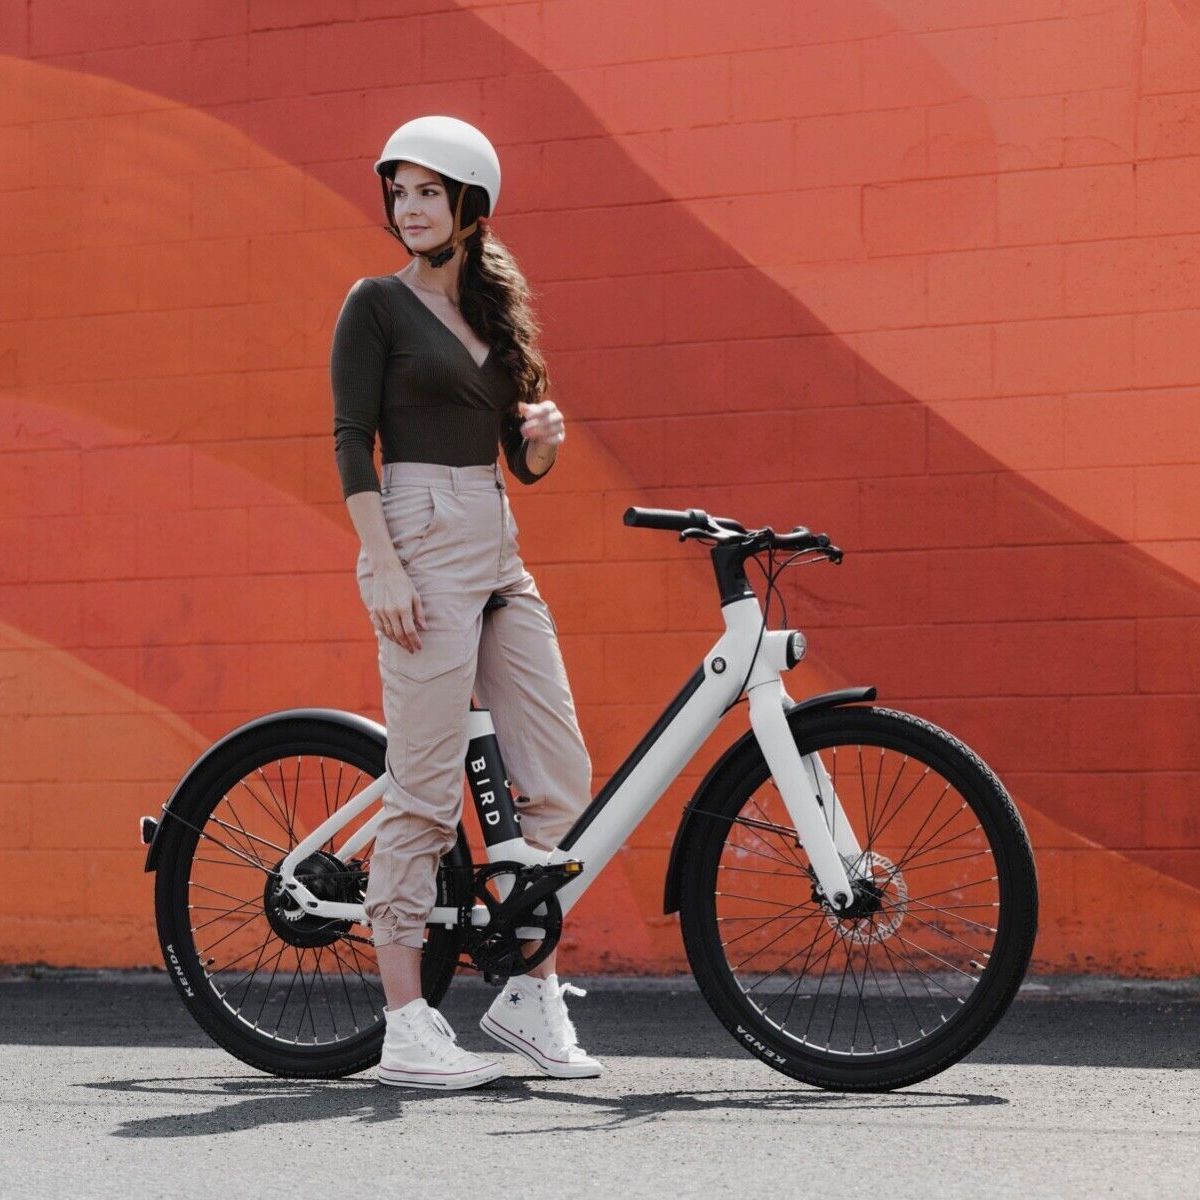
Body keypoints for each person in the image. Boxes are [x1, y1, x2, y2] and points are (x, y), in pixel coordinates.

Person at [330, 115, 600, 1090]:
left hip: (494, 539)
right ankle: (405, 1021)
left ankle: (528, 996)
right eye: (398, 191)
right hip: (417, 530)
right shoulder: (376, 307)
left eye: (427, 192)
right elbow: (350, 442)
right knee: (427, 793)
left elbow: (523, 470)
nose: (407, 207)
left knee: (560, 776)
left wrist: (544, 439)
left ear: (469, 207)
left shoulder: (495, 318)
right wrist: (384, 565)